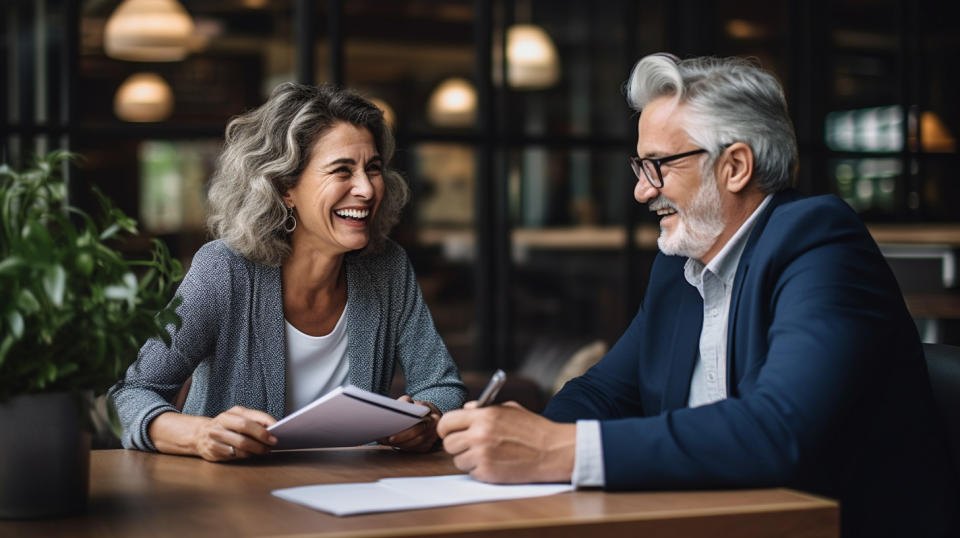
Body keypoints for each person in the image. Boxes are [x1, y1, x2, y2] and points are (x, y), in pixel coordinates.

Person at [437, 53, 959, 537]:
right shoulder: (681, 264)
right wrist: (520, 441)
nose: (643, 190)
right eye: (640, 168)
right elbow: (603, 393)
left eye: (659, 165)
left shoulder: (819, 242)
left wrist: (559, 450)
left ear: (734, 166)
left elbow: (778, 431)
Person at [109, 83, 465, 461]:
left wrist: (427, 417)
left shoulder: (387, 267)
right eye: (342, 170)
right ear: (284, 187)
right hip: (234, 501)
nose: (366, 188)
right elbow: (130, 396)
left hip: (352, 497)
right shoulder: (224, 270)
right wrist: (200, 434)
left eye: (373, 168)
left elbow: (442, 385)